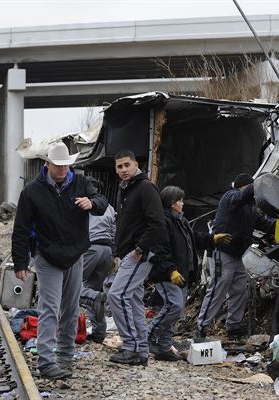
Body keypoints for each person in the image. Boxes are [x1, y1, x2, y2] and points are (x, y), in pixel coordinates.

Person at [11, 142, 107, 380]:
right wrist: (21, 262)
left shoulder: (82, 183)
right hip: (47, 256)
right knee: (49, 309)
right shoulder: (32, 191)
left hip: (75, 255)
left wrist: (92, 203)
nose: (63, 169)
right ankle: (46, 362)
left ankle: (65, 356)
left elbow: (102, 203)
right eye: (58, 165)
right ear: (48, 164)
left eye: (66, 165)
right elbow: (21, 228)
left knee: (71, 310)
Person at [148, 186, 230, 361]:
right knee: (174, 307)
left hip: (183, 274)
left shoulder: (181, 221)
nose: (183, 203)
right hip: (167, 275)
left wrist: (211, 239)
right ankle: (148, 335)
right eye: (180, 200)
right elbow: (160, 250)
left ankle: (163, 348)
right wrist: (171, 271)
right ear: (171, 203)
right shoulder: (163, 221)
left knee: (175, 311)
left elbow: (192, 239)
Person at [195, 173, 275, 339]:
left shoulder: (251, 210)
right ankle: (202, 326)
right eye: (250, 189)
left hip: (236, 255)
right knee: (218, 288)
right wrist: (260, 183)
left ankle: (233, 326)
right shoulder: (230, 197)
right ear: (243, 187)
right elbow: (241, 197)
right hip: (221, 252)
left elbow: (268, 226)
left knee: (239, 289)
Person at [108, 150, 166, 366]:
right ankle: (141, 350)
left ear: (135, 164)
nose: (123, 170)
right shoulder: (126, 190)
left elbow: (157, 223)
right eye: (119, 166)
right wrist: (116, 252)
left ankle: (131, 346)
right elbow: (122, 224)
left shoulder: (145, 188)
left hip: (138, 254)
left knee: (117, 295)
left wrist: (140, 249)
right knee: (132, 300)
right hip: (127, 254)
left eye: (126, 165)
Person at [80, 176, 116, 343]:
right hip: (107, 251)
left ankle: (92, 297)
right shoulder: (109, 208)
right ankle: (99, 332)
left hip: (90, 248)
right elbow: (115, 231)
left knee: (70, 286)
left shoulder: (83, 204)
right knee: (94, 288)